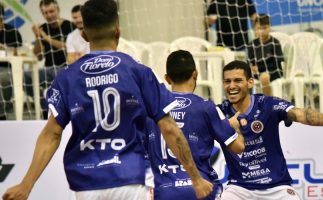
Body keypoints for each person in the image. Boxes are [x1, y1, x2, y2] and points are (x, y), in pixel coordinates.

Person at [2, 0, 213, 200]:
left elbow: (51, 134)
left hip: (86, 182)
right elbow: (168, 128)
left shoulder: (67, 76)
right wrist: (195, 178)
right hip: (130, 178)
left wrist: (26, 184)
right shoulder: (138, 72)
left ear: (84, 35)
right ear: (118, 31)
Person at [218, 60, 323, 200]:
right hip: (239, 188)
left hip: (277, 187)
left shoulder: (267, 104)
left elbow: (301, 114)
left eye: (237, 80)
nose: (232, 86)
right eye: (227, 81)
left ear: (250, 82)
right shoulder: (218, 113)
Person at [145, 50, 245, 200]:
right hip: (201, 188)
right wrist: (236, 127)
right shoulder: (206, 107)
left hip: (164, 191)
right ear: (195, 74)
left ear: (167, 78)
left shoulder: (151, 110)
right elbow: (238, 148)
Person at [25, 0, 76, 118]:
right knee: (26, 76)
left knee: (58, 74)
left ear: (58, 10)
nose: (48, 15)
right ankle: (44, 106)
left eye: (51, 11)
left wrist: (44, 36)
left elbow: (66, 47)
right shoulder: (44, 28)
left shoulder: (69, 26)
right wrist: (37, 36)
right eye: (45, 13)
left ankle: (56, 109)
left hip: (66, 68)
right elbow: (39, 56)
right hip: (48, 69)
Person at [247, 14, 284, 96]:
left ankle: (268, 103)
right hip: (257, 73)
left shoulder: (275, 43)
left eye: (264, 28)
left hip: (273, 72)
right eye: (259, 28)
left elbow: (278, 63)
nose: (261, 31)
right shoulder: (252, 44)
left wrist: (259, 68)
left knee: (264, 77)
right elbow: (249, 62)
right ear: (254, 29)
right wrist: (251, 68)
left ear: (269, 27)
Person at [0, 3, 23, 120]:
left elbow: (17, 54)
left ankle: (2, 113)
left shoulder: (12, 31)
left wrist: (4, 49)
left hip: (7, 68)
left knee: (3, 78)